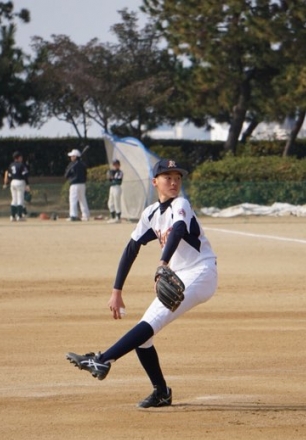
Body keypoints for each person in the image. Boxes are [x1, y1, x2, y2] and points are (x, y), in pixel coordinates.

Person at [66, 158, 218, 408]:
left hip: (201, 272)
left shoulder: (181, 204)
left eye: (177, 178)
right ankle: (161, 392)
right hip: (179, 276)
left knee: (150, 324)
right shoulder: (151, 213)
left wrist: (163, 262)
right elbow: (131, 248)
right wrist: (116, 291)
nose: (174, 182)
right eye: (168, 177)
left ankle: (102, 360)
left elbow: (179, 229)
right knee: (143, 334)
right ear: (155, 182)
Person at [3, 151, 30, 222]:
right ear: (18, 158)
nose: (22, 158)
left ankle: (12, 216)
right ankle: (19, 216)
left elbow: (9, 176)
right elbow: (25, 175)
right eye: (21, 157)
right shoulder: (21, 165)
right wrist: (27, 184)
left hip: (13, 182)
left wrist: (7, 183)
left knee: (14, 199)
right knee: (20, 199)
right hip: (20, 182)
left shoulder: (11, 165)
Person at [64, 149, 90, 221]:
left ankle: (73, 215)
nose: (71, 157)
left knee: (73, 200)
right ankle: (85, 215)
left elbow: (66, 174)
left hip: (74, 184)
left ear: (75, 157)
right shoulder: (83, 164)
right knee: (82, 199)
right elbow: (85, 174)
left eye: (72, 156)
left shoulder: (72, 165)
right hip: (82, 184)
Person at [106, 159, 123, 223]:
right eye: (114, 165)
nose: (115, 166)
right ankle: (113, 217)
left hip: (117, 187)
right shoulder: (112, 171)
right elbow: (110, 180)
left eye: (116, 164)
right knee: (110, 203)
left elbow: (118, 181)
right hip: (112, 188)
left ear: (119, 165)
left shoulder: (120, 172)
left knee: (116, 202)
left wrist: (112, 178)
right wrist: (110, 179)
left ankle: (118, 218)